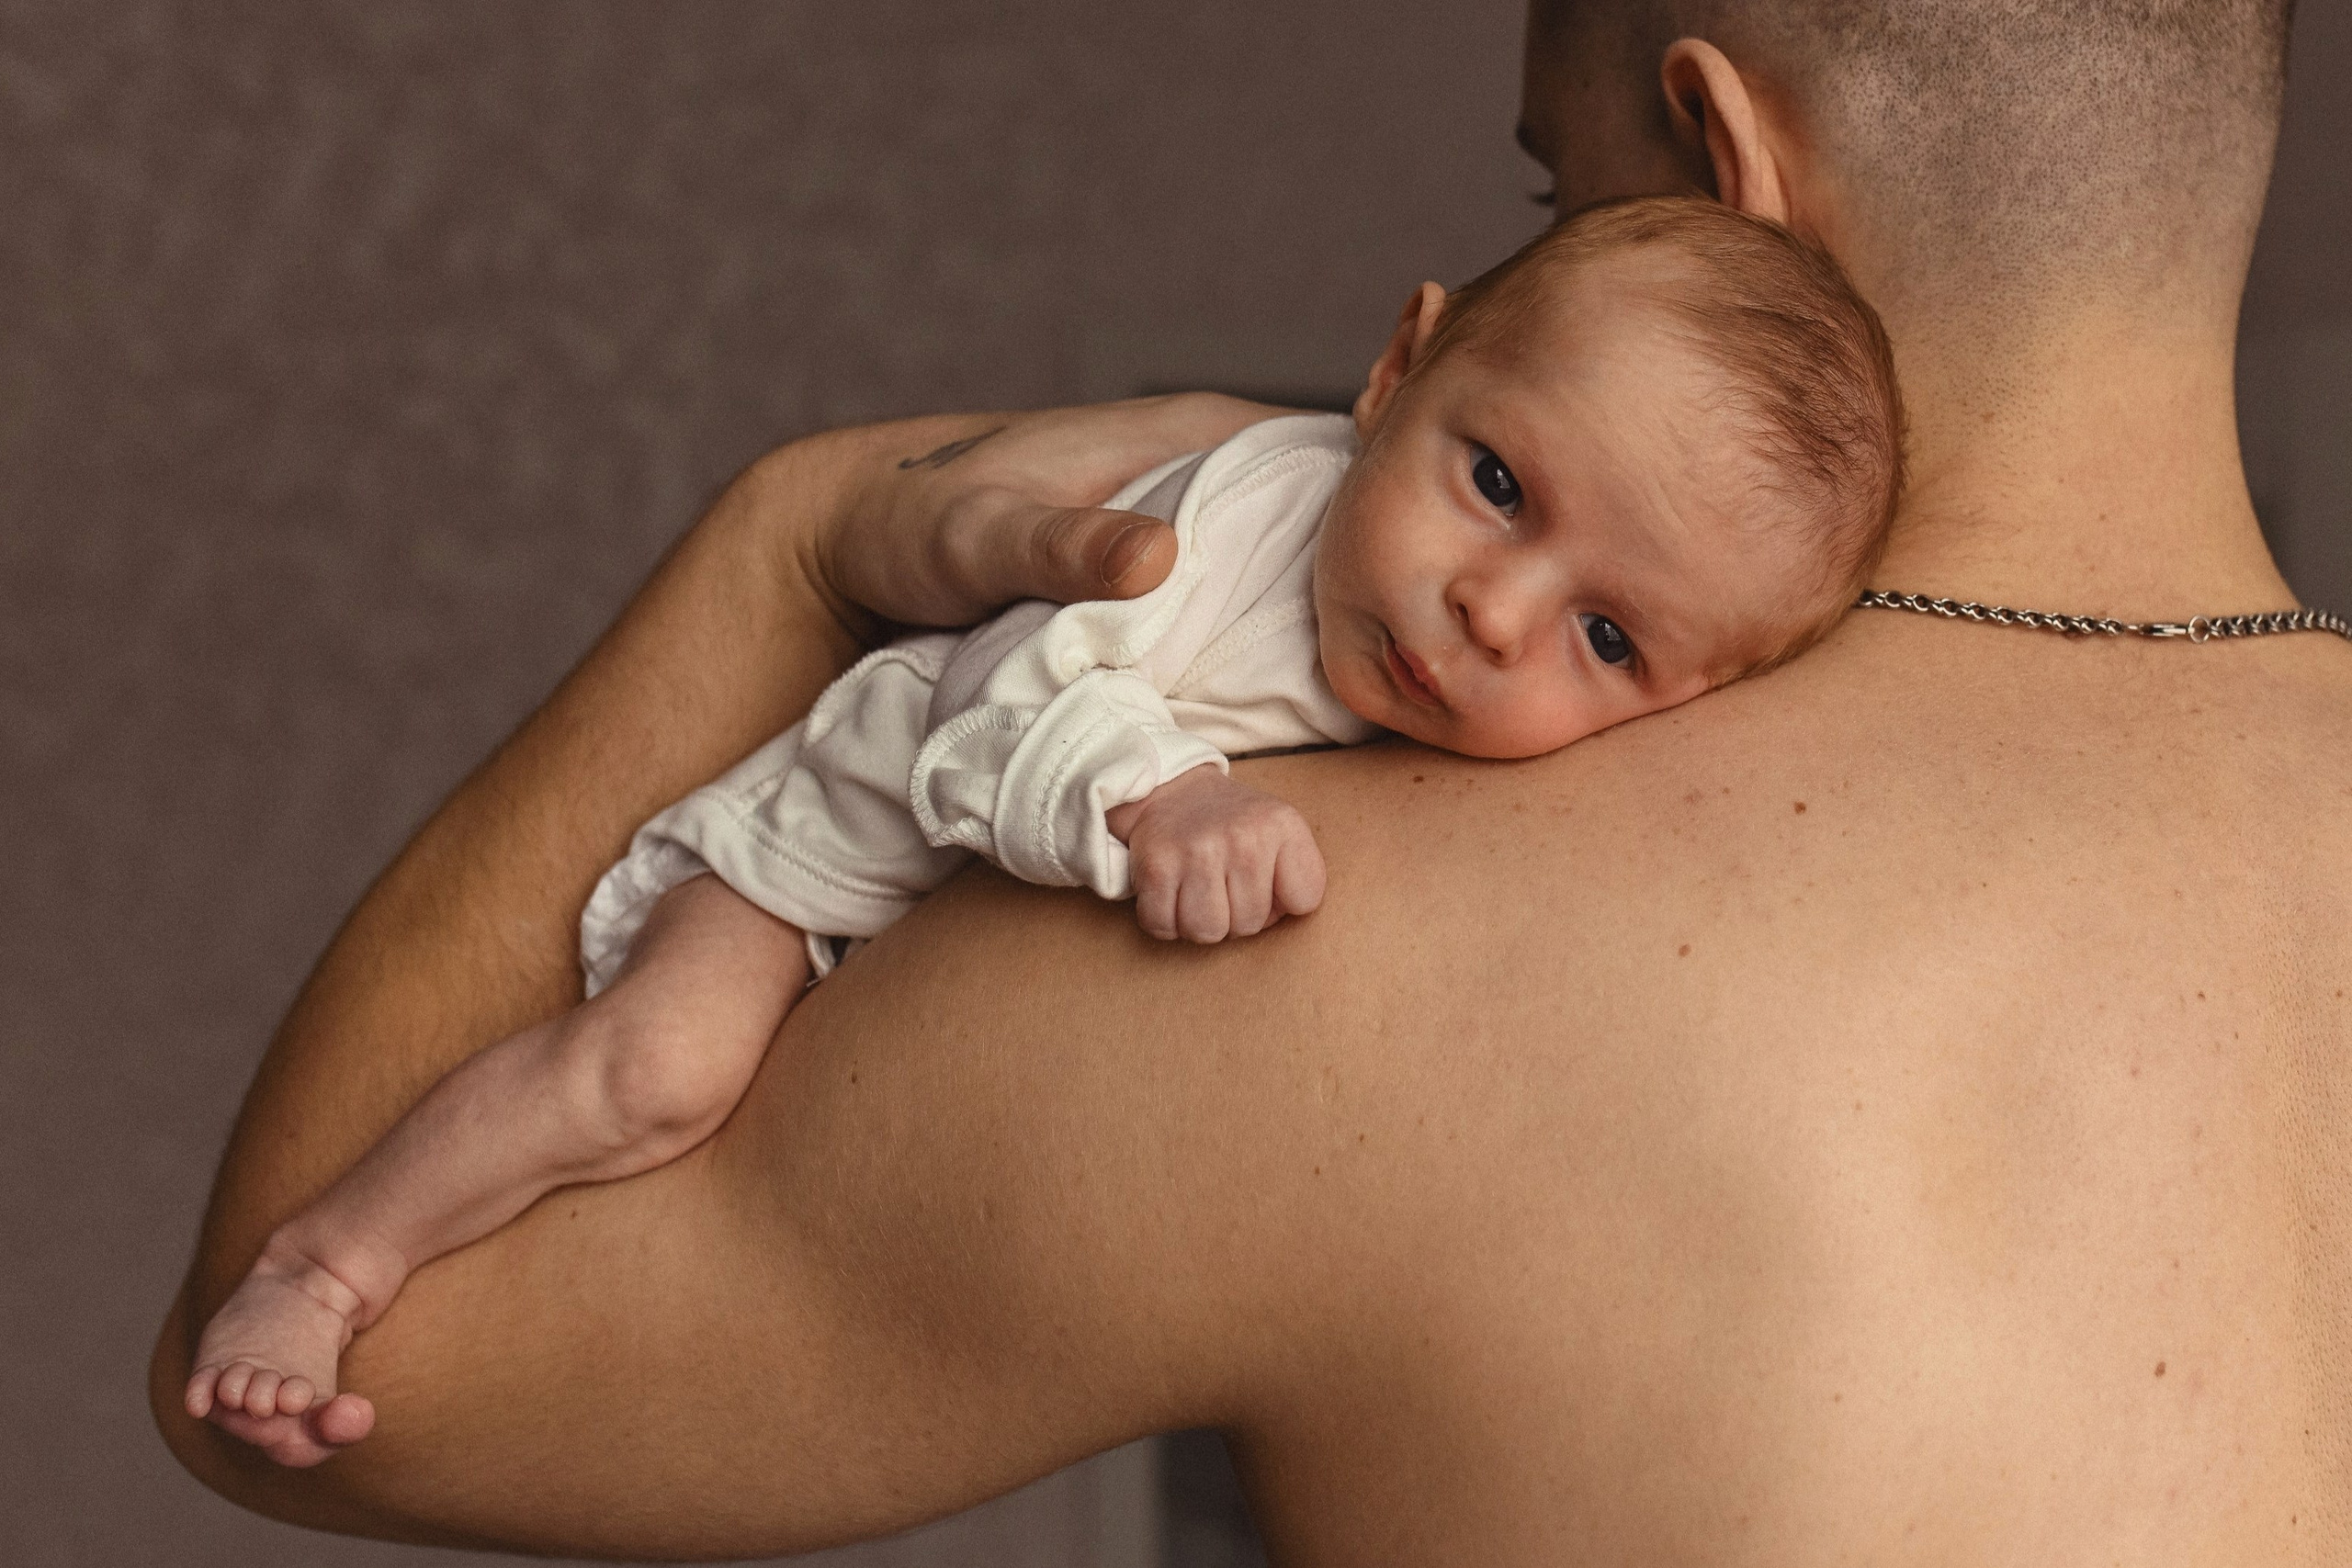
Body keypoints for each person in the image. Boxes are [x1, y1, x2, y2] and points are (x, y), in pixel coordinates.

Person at [153, 0, 2352, 1561]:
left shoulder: (1355, 923)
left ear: (1717, 169)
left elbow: (332, 1389)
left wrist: (807, 525)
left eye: (1546, 178)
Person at [176, 197, 1904, 1455]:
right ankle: (329, 1262)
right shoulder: (1225, 526)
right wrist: (1163, 798)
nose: (1495, 616)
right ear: (1394, 369)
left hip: (918, 941)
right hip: (814, 857)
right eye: (1500, 486)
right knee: (653, 1075)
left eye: (1610, 638)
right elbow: (995, 691)